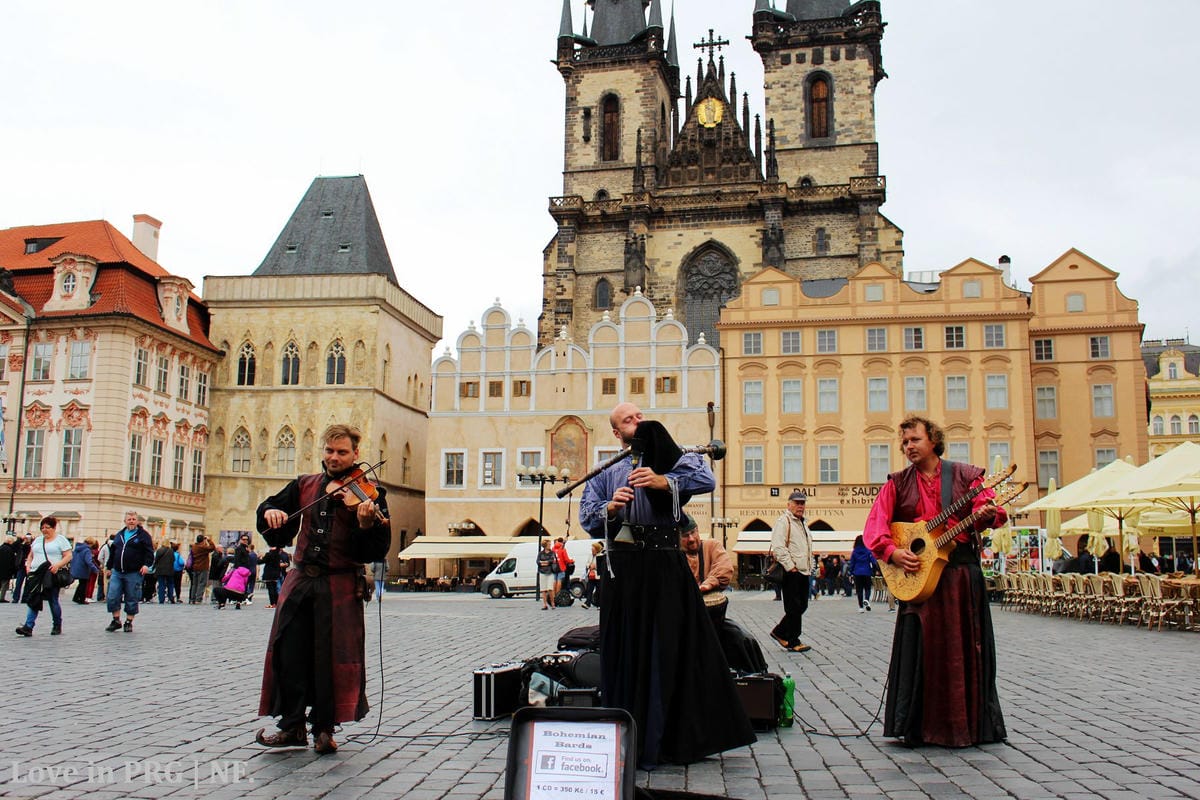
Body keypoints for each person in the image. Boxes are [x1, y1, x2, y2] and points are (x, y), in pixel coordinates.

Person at [580, 402, 755, 768]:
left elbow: (707, 480)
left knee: (669, 647)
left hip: (664, 564)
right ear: (617, 433)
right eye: (628, 420)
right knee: (626, 648)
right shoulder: (607, 470)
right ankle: (628, 732)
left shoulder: (675, 455)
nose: (637, 421)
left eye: (639, 415)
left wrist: (665, 482)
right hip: (624, 570)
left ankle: (672, 736)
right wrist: (610, 509)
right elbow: (586, 515)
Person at [863, 415, 1006, 747]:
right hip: (920, 578)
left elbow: (990, 510)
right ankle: (919, 726)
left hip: (959, 577)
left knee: (962, 649)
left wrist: (987, 514)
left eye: (915, 440)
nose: (908, 446)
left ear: (934, 441)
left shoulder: (965, 476)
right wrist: (892, 553)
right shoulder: (897, 482)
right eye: (905, 442)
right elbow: (875, 526)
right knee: (923, 651)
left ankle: (967, 725)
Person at [255, 424, 390, 755]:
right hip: (301, 581)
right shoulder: (305, 484)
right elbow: (273, 514)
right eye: (329, 451)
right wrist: (270, 512)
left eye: (342, 452)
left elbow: (375, 549)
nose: (334, 457)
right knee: (288, 653)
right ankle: (292, 726)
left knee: (330, 658)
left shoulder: (370, 493)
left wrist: (364, 522)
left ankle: (324, 730)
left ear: (356, 454)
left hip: (339, 582)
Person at [769, 490, 815, 653]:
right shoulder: (784, 521)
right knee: (794, 607)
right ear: (789, 504)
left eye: (802, 503)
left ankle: (780, 632)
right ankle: (793, 640)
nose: (800, 506)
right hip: (792, 571)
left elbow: (807, 547)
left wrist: (810, 566)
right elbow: (779, 547)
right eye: (796, 503)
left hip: (804, 571)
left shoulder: (803, 523)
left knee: (801, 605)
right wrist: (791, 567)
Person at [14, 516, 72, 637]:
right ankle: (28, 626)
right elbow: (31, 555)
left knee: (52, 599)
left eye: (47, 527)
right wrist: (28, 565)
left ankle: (57, 624)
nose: (44, 530)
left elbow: (68, 556)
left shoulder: (60, 540)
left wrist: (57, 565)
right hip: (36, 573)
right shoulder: (38, 540)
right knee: (34, 598)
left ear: (54, 528)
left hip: (50, 573)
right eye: (42, 527)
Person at [105, 510, 154, 633]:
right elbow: (113, 552)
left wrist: (146, 565)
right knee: (112, 596)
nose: (131, 521)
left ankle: (129, 621)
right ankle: (116, 620)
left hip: (134, 572)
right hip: (117, 571)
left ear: (137, 521)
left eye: (133, 519)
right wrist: (108, 567)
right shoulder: (119, 535)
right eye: (129, 519)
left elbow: (149, 552)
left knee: (132, 597)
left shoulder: (143, 536)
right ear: (125, 521)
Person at [848, 534, 876, 612]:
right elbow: (873, 561)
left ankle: (861, 607)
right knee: (867, 588)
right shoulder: (868, 551)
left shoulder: (854, 552)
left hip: (857, 572)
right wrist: (874, 570)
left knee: (859, 590)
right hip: (867, 572)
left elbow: (852, 563)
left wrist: (851, 572)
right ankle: (866, 599)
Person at [70, 537, 99, 604]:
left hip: (76, 568)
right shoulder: (87, 550)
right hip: (83, 569)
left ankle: (76, 597)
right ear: (91, 544)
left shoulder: (77, 548)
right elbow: (89, 561)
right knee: (83, 584)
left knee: (81, 584)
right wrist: (95, 569)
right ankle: (81, 599)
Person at [189, 535, 216, 604]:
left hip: (195, 567)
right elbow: (212, 548)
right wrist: (209, 540)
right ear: (203, 540)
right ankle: (198, 599)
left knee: (194, 584)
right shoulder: (202, 547)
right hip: (203, 567)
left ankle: (192, 598)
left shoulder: (194, 547)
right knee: (202, 583)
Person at [153, 539, 177, 604]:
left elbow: (156, 560)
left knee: (161, 585)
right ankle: (170, 597)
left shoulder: (159, 550)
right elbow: (173, 560)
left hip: (160, 570)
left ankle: (161, 599)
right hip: (169, 570)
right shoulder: (171, 551)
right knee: (170, 584)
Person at [536, 539, 557, 610]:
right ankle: (545, 604)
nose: (550, 546)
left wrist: (544, 562)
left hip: (550, 572)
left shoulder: (552, 553)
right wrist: (545, 563)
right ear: (545, 545)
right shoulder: (541, 553)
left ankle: (552, 603)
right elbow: (538, 561)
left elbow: (551, 561)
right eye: (549, 544)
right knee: (543, 589)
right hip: (542, 572)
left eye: (550, 544)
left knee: (550, 588)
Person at [582, 541, 603, 609]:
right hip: (591, 575)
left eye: (593, 549)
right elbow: (587, 563)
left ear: (597, 549)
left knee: (599, 590)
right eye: (592, 549)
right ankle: (588, 603)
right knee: (589, 589)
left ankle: (599, 604)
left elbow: (601, 566)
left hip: (598, 576)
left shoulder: (601, 556)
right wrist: (589, 565)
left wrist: (595, 567)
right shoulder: (590, 555)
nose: (592, 550)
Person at [1, 534, 20, 602]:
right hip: (6, 570)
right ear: (10, 541)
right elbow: (12, 561)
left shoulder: (1, 547)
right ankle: (1, 598)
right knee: (5, 584)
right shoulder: (10, 550)